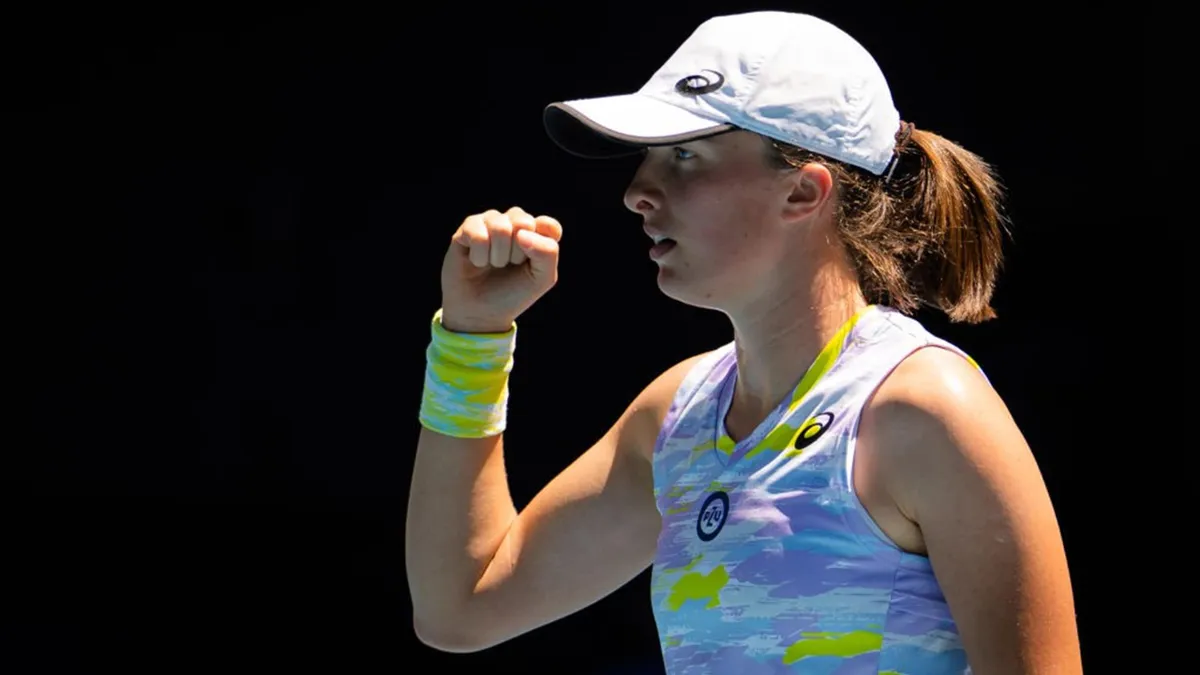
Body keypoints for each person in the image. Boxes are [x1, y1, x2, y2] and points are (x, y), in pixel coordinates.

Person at [405, 10, 1082, 674]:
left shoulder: (927, 409)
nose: (638, 192)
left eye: (684, 156)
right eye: (649, 159)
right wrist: (472, 337)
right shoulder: (674, 418)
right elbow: (459, 610)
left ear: (803, 191)